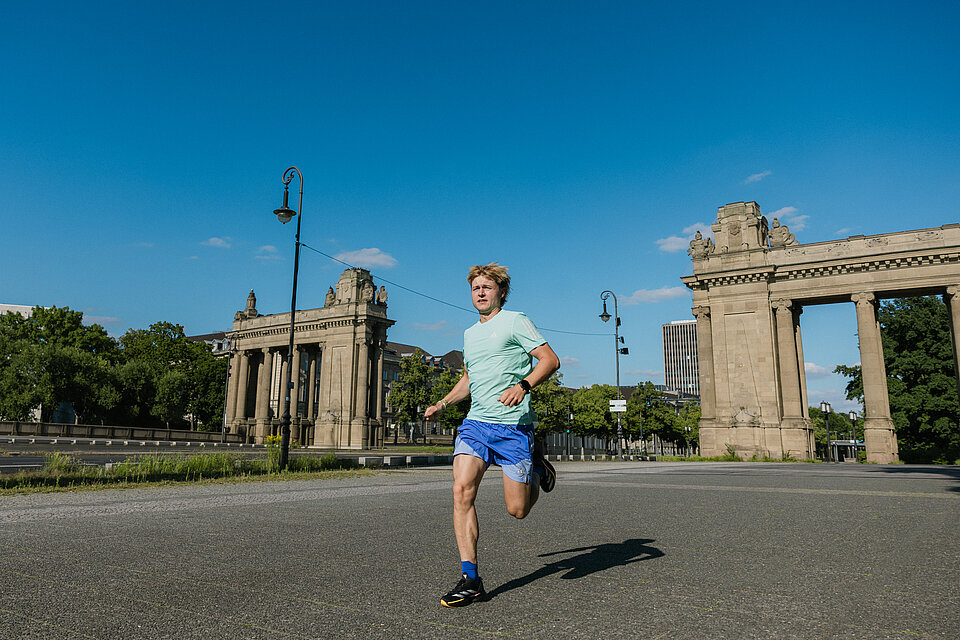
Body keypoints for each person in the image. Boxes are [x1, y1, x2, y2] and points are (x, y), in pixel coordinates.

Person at [425, 263, 560, 608]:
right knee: (461, 490)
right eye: (475, 288)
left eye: (487, 287)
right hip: (477, 425)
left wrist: (523, 385)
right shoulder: (469, 334)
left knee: (518, 511)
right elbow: (470, 380)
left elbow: (549, 360)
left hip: (514, 427)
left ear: (501, 291)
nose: (480, 293)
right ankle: (471, 580)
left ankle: (537, 467)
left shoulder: (516, 321)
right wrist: (443, 402)